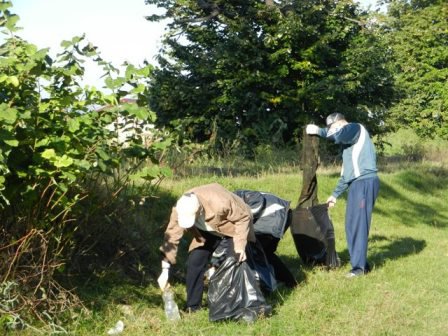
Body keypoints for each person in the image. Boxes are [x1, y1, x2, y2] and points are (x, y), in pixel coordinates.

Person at [157, 183, 255, 312]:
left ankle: (231, 305)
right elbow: (172, 236)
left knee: (233, 261)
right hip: (207, 231)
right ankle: (193, 307)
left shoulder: (220, 201)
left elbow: (243, 217)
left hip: (232, 227)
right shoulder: (181, 207)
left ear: (199, 209)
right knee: (194, 262)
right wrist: (165, 269)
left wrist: (240, 246)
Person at [306, 113, 380, 277]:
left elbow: (339, 135)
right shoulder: (348, 147)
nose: (332, 131)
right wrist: (335, 195)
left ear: (340, 122)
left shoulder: (355, 128)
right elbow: (346, 174)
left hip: (365, 183)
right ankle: (361, 264)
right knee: (351, 224)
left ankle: (359, 268)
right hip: (356, 184)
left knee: (358, 225)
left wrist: (320, 131)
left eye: (332, 127)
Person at [233, 190, 296, 288]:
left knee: (258, 252)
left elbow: (246, 217)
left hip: (276, 218)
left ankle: (268, 284)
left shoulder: (231, 202)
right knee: (266, 253)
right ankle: (286, 281)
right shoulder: (231, 198)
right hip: (282, 214)